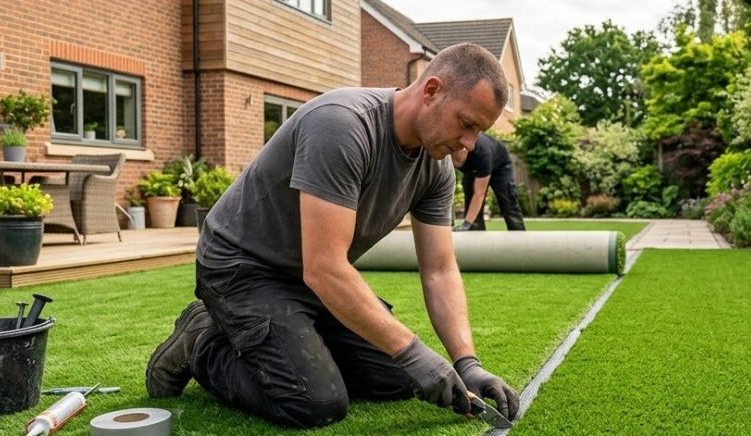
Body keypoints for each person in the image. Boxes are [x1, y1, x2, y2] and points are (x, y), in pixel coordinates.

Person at [144, 43, 521, 428]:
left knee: (400, 378)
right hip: (242, 267)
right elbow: (324, 268)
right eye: (467, 124)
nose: (469, 145)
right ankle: (201, 340)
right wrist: (412, 351)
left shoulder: (436, 167)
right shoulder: (342, 125)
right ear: (431, 91)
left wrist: (466, 362)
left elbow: (440, 270)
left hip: (307, 274)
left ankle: (291, 340)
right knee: (315, 402)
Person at [451, 133, 526, 231]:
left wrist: (466, 224)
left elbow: (479, 194)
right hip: (473, 169)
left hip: (500, 167)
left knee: (508, 203)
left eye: (455, 158)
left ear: (464, 150)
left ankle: (519, 240)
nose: (453, 160)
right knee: (471, 207)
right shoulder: (448, 148)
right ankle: (475, 240)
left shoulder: (482, 154)